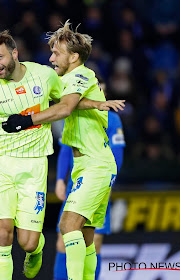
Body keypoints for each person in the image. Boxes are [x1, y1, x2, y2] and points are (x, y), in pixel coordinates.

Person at [0, 30, 118, 280]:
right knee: (2, 233)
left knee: (27, 242)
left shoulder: (44, 75)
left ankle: (35, 251)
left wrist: (96, 102)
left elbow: (68, 101)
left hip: (34, 167)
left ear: (15, 53)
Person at [2, 21, 125, 280]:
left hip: (95, 164)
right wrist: (98, 103)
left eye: (56, 53)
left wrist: (26, 121)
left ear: (74, 57)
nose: (51, 58)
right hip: (87, 166)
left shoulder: (80, 75)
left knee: (67, 226)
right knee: (87, 236)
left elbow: (66, 108)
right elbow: (73, 103)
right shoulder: (71, 81)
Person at [53, 76, 126, 280]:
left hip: (98, 185)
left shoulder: (112, 119)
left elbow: (117, 154)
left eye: (101, 91)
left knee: (93, 243)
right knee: (63, 242)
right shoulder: (75, 116)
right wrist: (60, 179)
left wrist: (109, 182)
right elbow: (66, 150)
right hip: (75, 186)